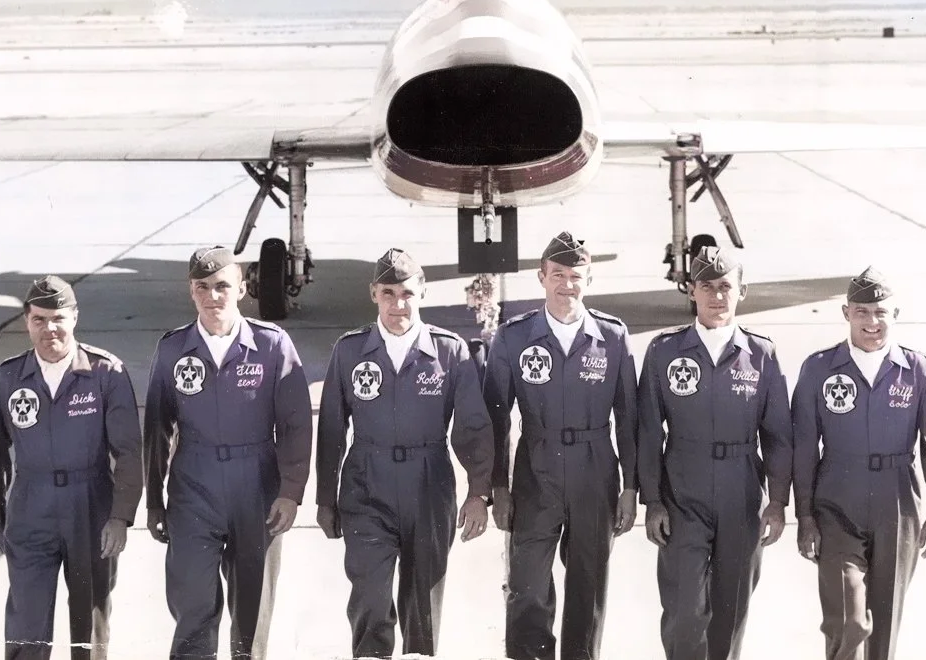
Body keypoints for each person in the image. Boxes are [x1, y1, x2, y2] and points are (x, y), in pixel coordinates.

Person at [315, 247, 494, 659]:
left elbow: (472, 428)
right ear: (374, 294)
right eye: (389, 293)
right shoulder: (349, 351)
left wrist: (478, 492)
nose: (399, 304)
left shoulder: (449, 352)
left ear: (423, 292)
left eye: (408, 294)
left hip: (429, 485)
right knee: (370, 597)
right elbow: (331, 431)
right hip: (366, 484)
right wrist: (326, 498)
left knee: (423, 605)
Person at [143, 246, 312, 660]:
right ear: (191, 292)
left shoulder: (272, 345)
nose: (212, 296)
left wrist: (290, 491)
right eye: (202, 287)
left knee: (252, 611)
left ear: (241, 289)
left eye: (222, 286)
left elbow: (295, 423)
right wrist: (154, 501)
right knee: (193, 601)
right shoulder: (173, 350)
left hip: (257, 486)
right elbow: (157, 431)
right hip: (193, 487)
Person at [483, 231, 639, 660]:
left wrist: (630, 487)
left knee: (588, 585)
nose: (566, 285)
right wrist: (498, 486)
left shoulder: (612, 337)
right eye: (558, 275)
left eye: (576, 276)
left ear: (588, 279)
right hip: (536, 468)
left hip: (595, 469)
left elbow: (629, 419)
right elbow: (495, 419)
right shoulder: (514, 338)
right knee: (527, 583)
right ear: (541, 277)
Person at [637, 246, 793, 660]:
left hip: (741, 490)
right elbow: (649, 431)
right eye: (707, 286)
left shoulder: (762, 354)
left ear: (742, 291)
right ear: (691, 291)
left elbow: (778, 435)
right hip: (682, 490)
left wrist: (777, 502)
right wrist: (652, 501)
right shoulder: (664, 351)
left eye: (726, 286)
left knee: (732, 607)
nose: (717, 296)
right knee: (684, 608)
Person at [791, 266, 926, 660]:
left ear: (895, 314)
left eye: (881, 312)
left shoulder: (919, 370)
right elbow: (803, 447)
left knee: (884, 626)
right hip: (836, 498)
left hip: (897, 499)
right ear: (846, 314)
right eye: (862, 311)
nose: (872, 321)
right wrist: (806, 517)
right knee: (848, 621)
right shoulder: (818, 368)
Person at [0, 275, 143, 660]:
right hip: (30, 507)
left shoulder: (106, 374)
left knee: (89, 623)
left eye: (58, 318)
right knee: (26, 622)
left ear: (74, 318)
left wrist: (120, 516)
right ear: (27, 321)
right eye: (39, 319)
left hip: (90, 507)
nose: (49, 328)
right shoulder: (7, 378)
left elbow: (129, 451)